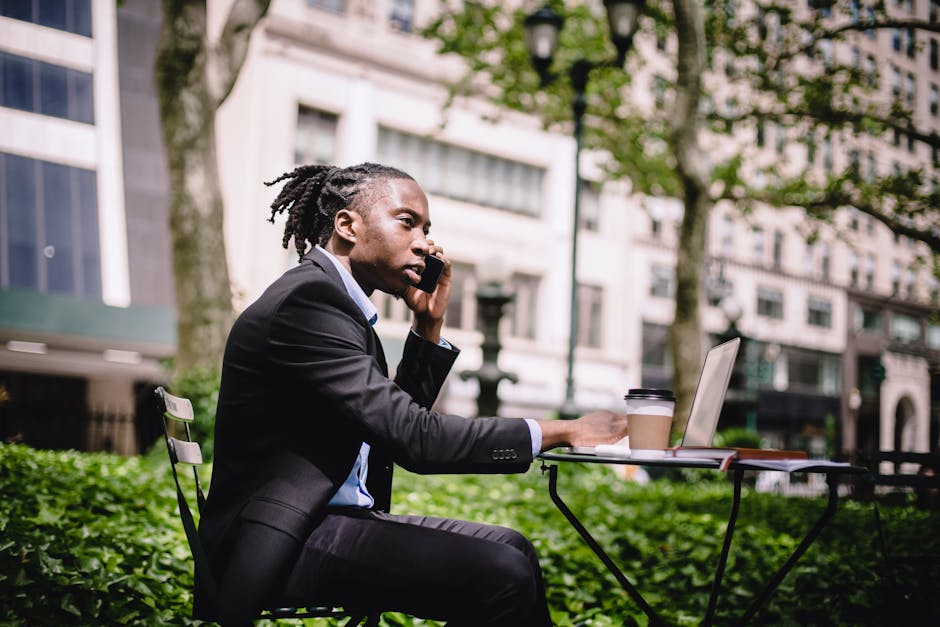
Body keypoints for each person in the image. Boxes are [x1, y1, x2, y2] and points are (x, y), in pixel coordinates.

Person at [197, 162, 629, 626]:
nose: (424, 242)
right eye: (408, 222)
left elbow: (392, 432)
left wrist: (427, 326)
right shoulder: (310, 305)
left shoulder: (335, 305)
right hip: (281, 543)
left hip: (324, 522)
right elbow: (416, 439)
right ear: (347, 225)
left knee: (512, 548)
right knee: (501, 573)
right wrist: (564, 430)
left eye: (426, 228)